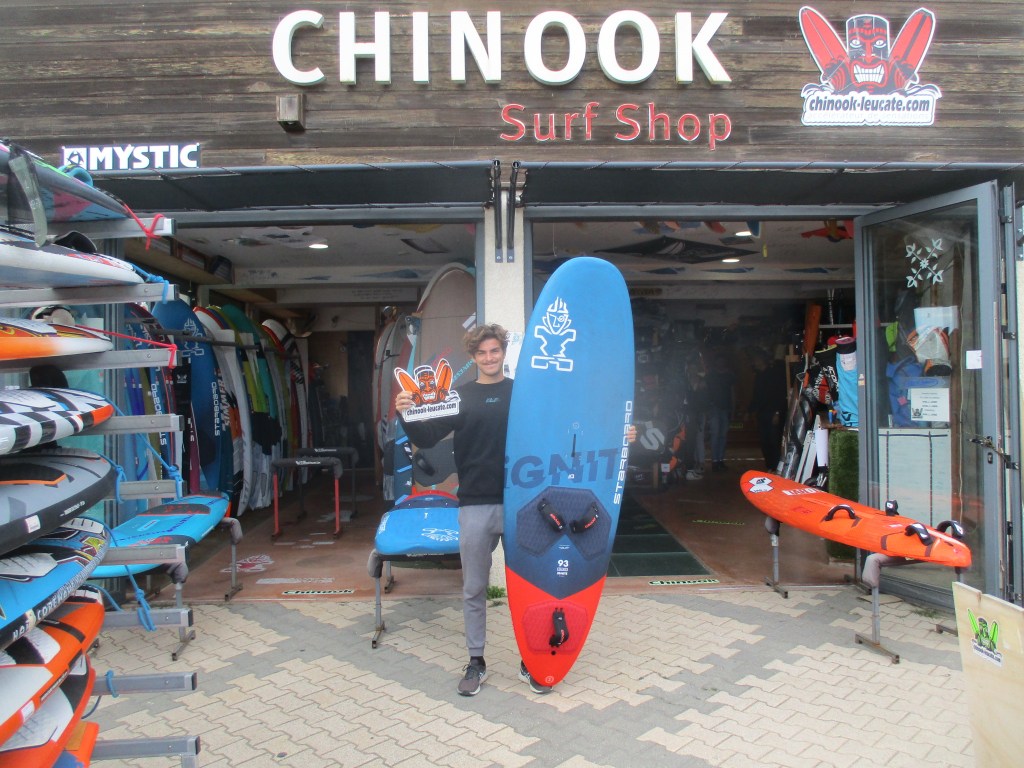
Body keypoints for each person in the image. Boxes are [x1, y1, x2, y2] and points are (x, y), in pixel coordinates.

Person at [396, 324, 551, 696]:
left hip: (520, 504)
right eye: (481, 353)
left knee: (528, 589)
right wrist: (406, 414)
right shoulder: (459, 397)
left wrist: (617, 433)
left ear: (503, 352)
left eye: (494, 350)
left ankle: (531, 660)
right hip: (475, 504)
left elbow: (558, 430)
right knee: (474, 588)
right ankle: (476, 661)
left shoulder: (523, 393)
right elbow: (426, 436)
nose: (489, 358)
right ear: (473, 357)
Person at [748, 347, 788, 471]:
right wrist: (750, 410)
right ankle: (770, 466)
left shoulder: (773, 374)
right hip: (762, 413)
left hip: (773, 412)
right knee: (764, 441)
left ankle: (776, 467)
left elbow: (780, 394)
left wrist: (777, 412)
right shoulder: (759, 376)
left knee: (774, 441)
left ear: (761, 360)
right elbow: (757, 396)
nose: (754, 362)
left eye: (756, 359)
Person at [705, 351, 735, 471]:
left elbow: (733, 392)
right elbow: (706, 391)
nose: (721, 363)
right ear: (716, 362)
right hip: (714, 408)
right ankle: (715, 461)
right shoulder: (710, 375)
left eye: (723, 361)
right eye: (719, 361)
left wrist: (733, 409)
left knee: (723, 435)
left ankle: (720, 460)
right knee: (715, 434)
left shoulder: (730, 375)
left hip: (725, 408)